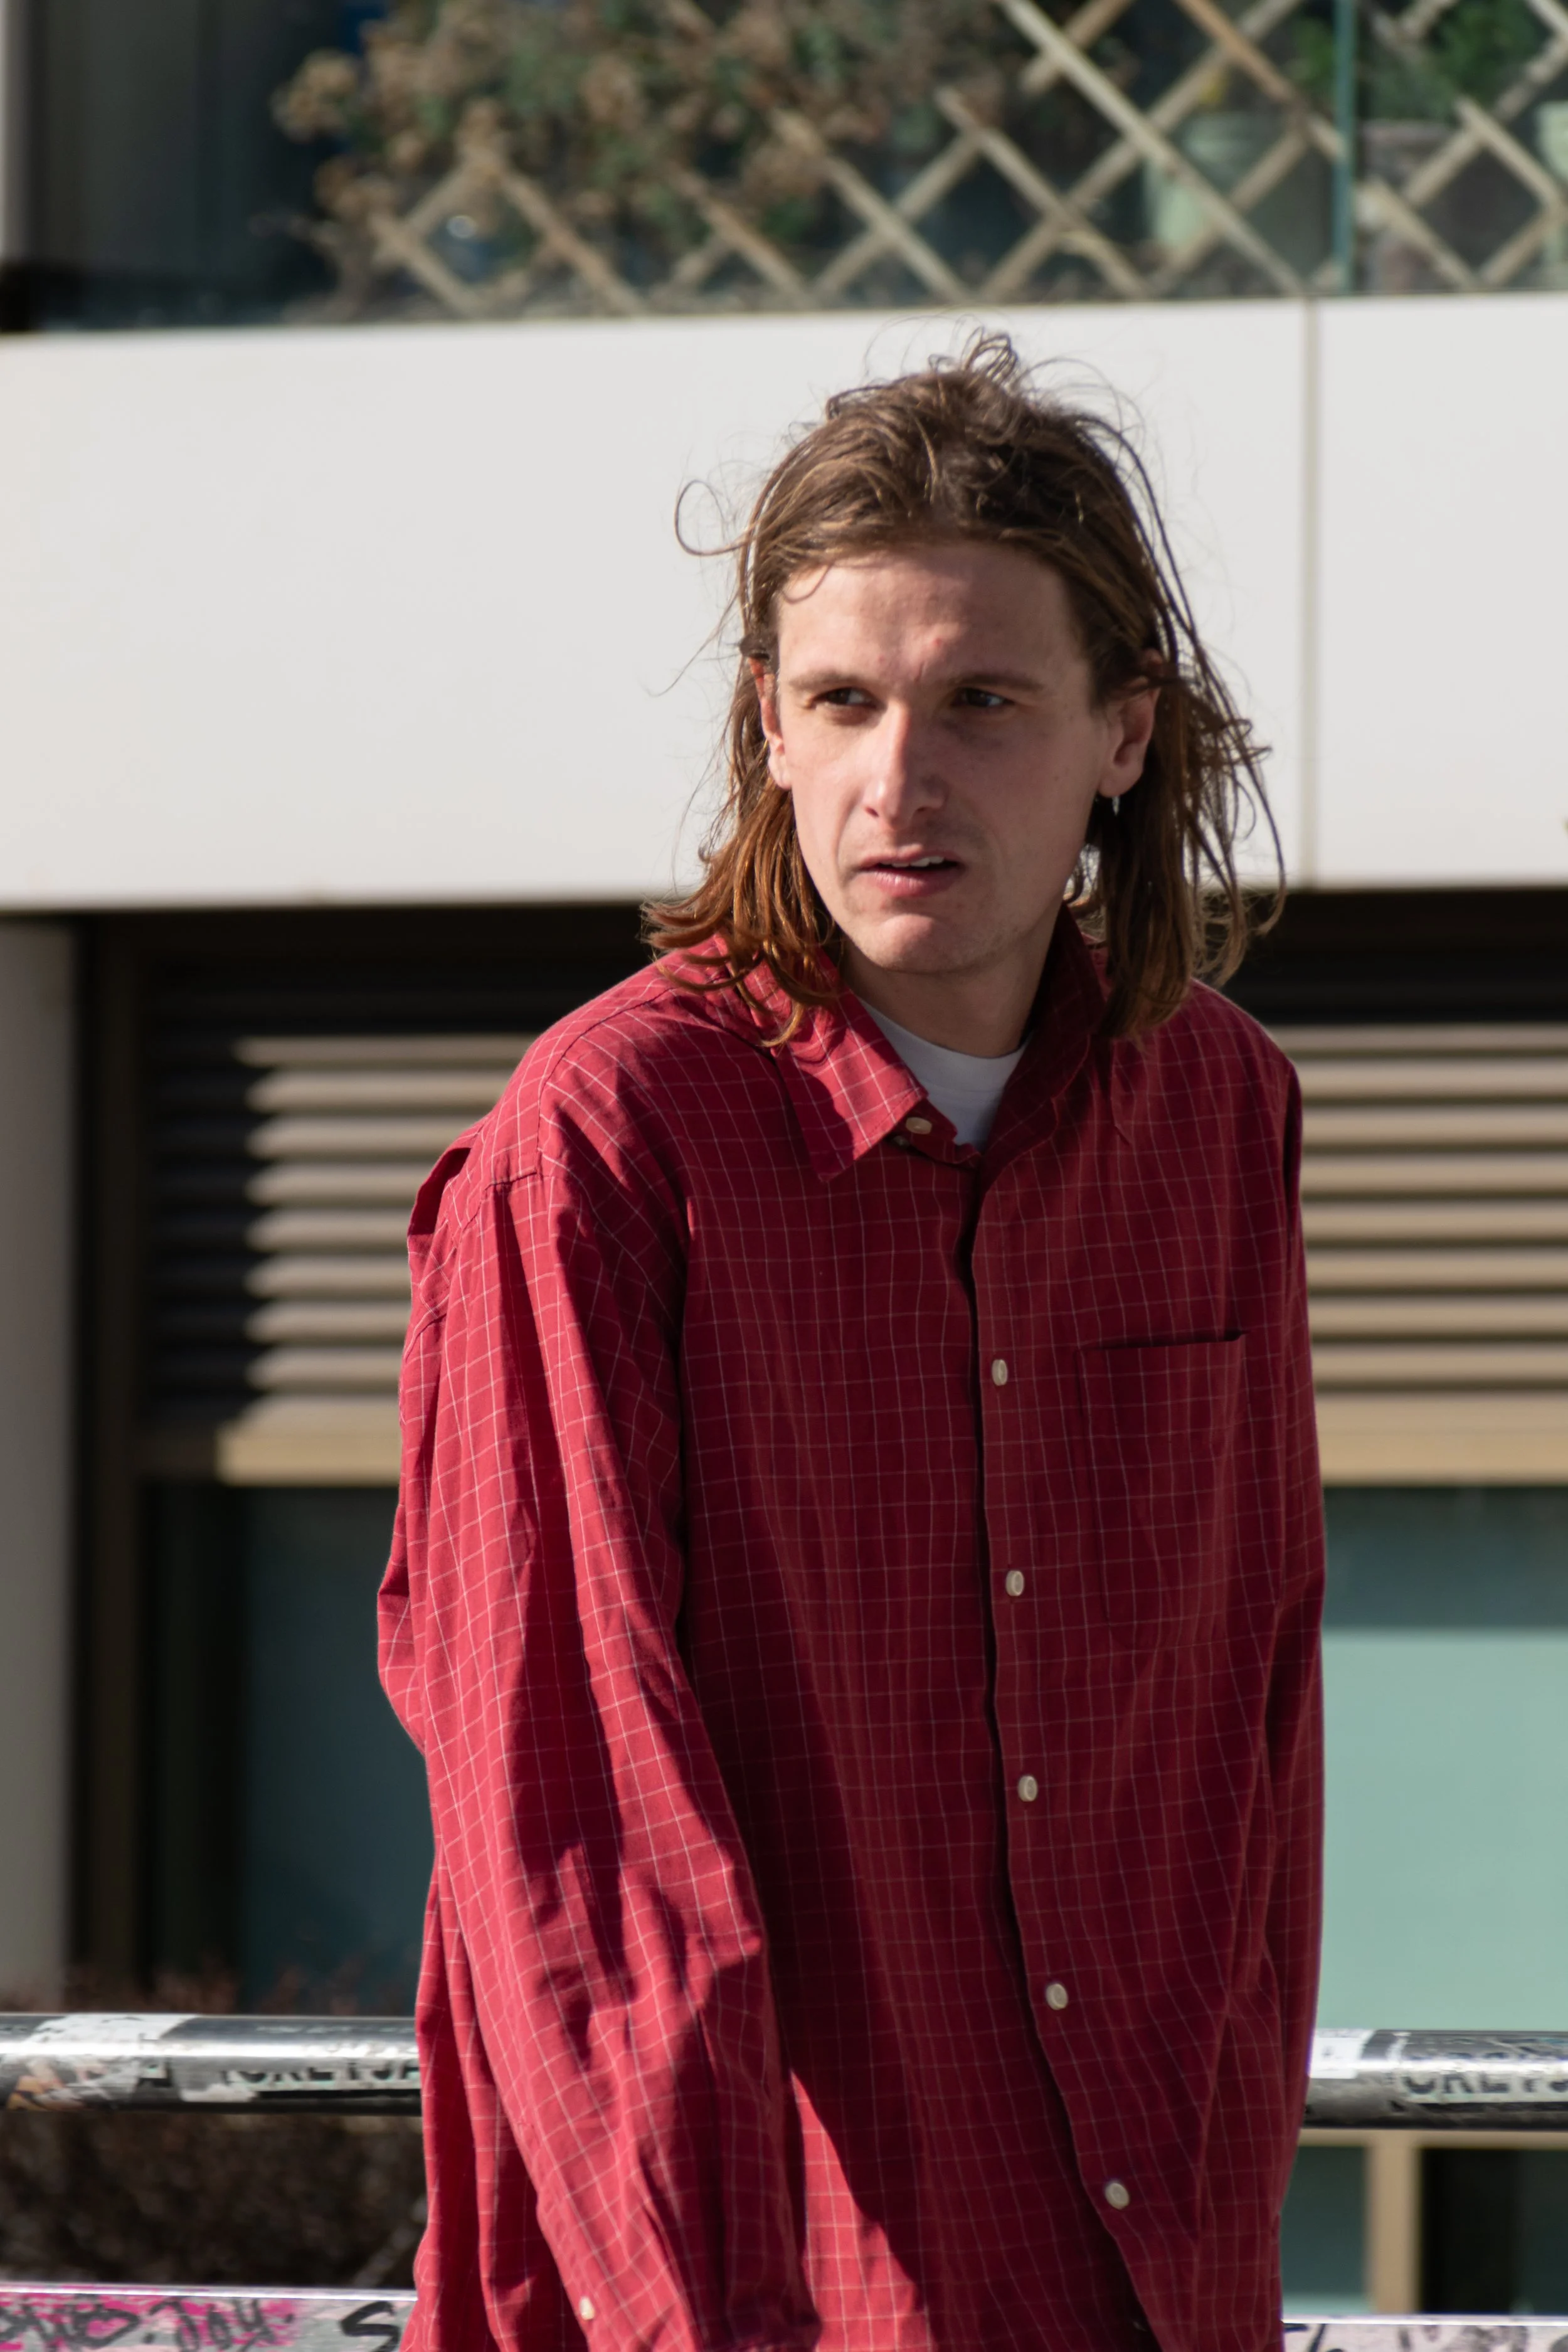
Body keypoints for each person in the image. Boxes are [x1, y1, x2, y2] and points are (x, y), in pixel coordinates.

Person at [380, 334, 1324, 2352]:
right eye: (841, 701)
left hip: (1150, 2273)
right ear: (768, 728)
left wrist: (1229, 2177)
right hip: (770, 2290)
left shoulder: (1217, 1109)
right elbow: (574, 1812)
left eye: (979, 700)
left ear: (1123, 732)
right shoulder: (604, 1142)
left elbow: (1256, 1706)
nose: (900, 780)